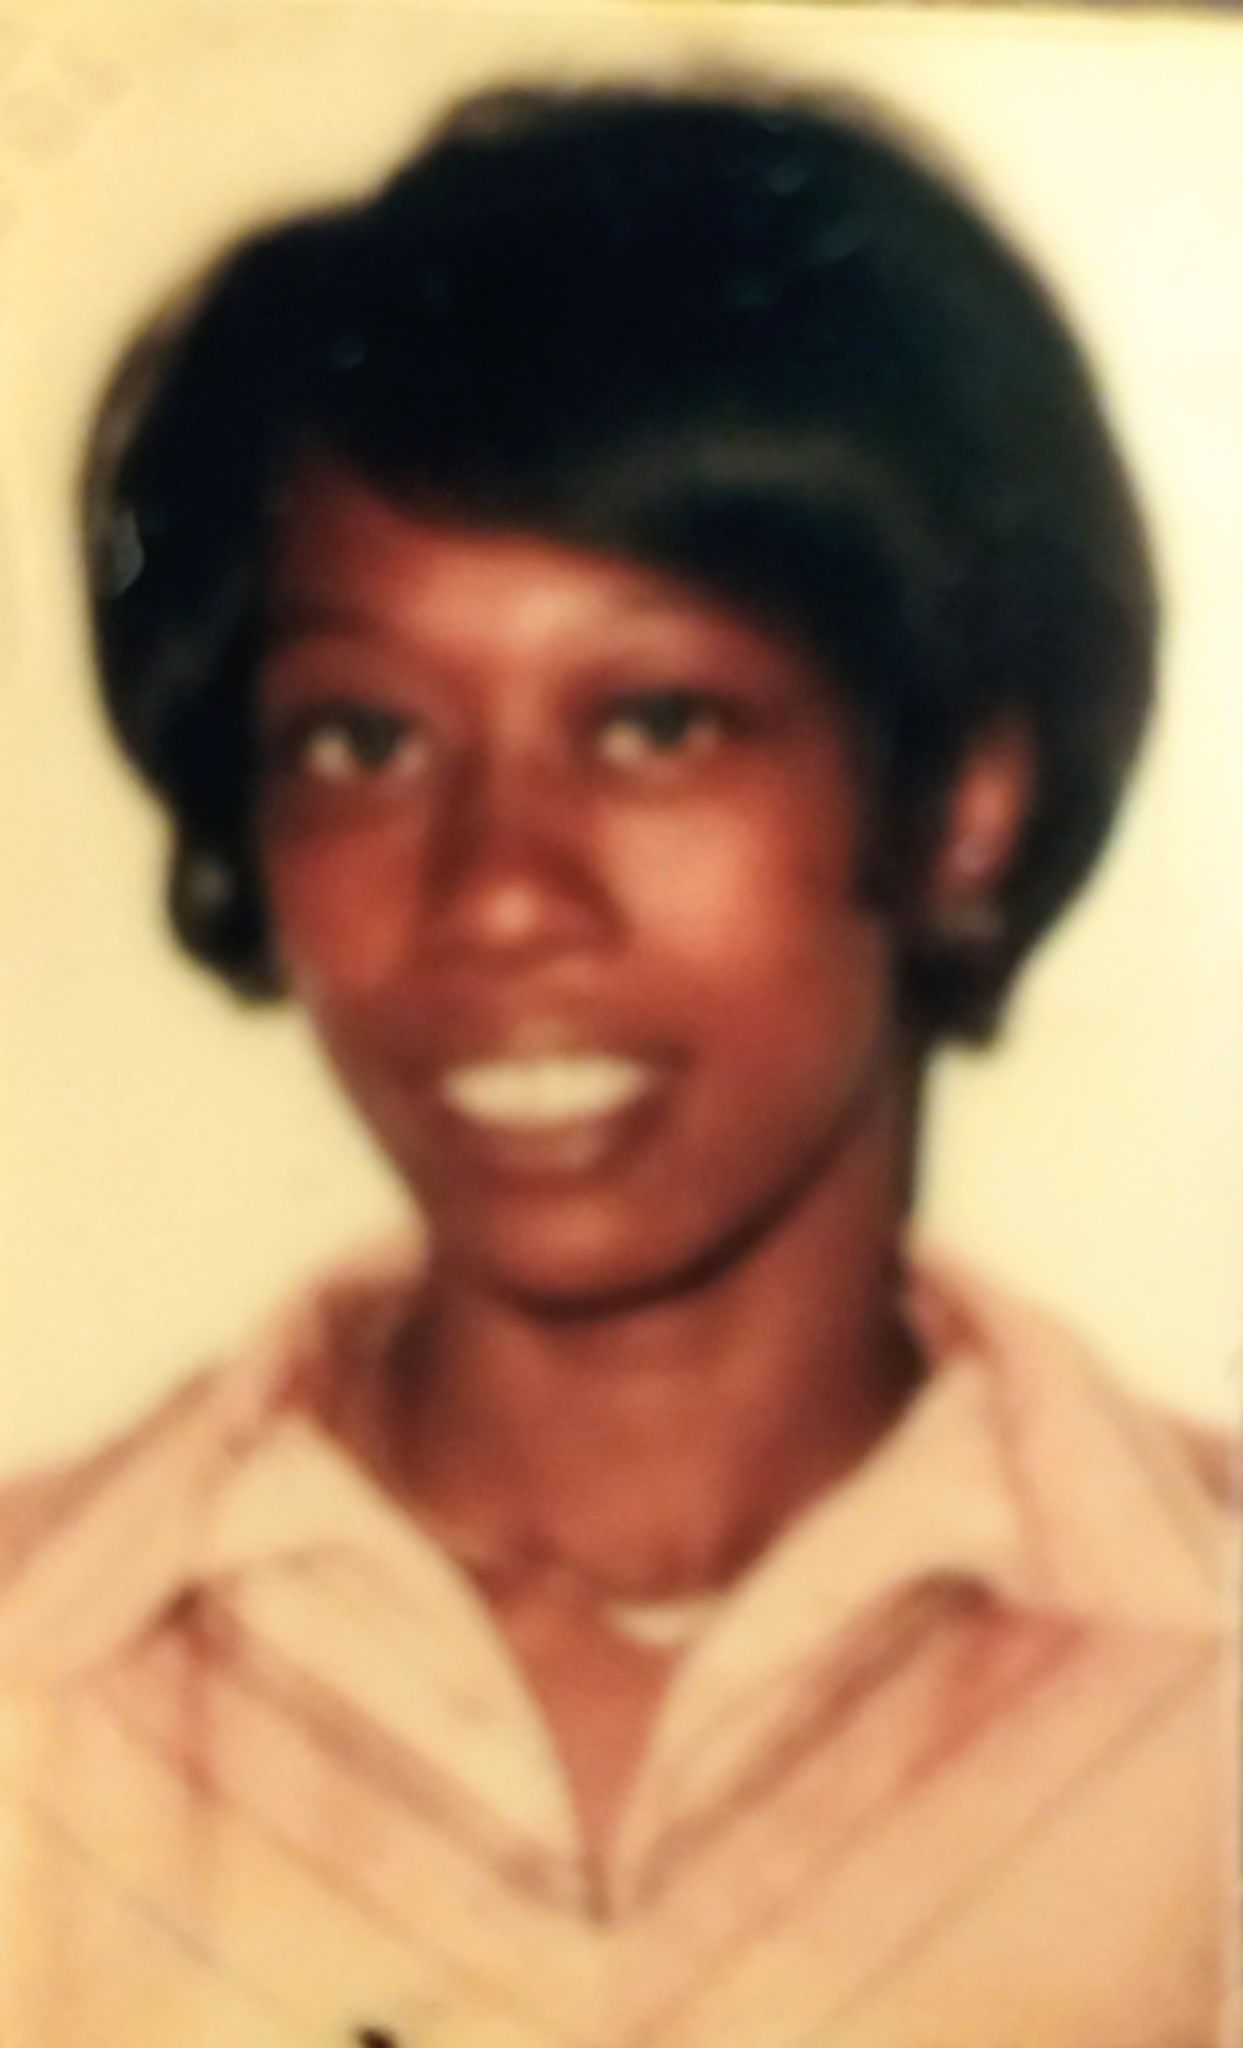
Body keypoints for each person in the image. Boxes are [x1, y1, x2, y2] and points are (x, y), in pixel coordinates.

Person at [0, 78, 1233, 2048]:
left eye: (657, 722)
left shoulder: (1204, 1701)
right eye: (364, 740)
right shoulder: (37, 1683)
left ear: (960, 809)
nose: (496, 893)